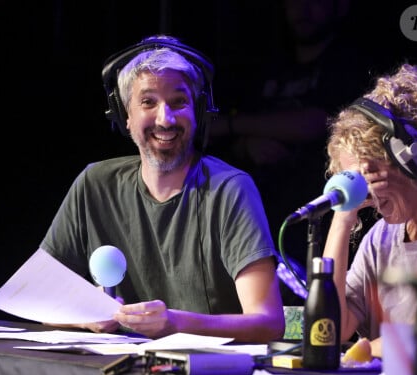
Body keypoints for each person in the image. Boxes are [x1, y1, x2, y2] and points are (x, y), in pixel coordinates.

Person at [38, 35, 285, 342]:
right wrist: (87, 317)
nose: (165, 119)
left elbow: (268, 323)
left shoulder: (230, 190)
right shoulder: (94, 184)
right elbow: (38, 298)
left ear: (198, 112)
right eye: (148, 102)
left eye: (179, 102)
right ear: (125, 116)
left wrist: (176, 323)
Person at [208, 0, 374, 304]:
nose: (302, 8)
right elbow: (235, 134)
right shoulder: (270, 63)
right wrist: (246, 142)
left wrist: (233, 125)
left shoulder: (348, 62)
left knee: (319, 314)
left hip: (319, 214)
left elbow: (318, 122)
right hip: (265, 216)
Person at [321, 63, 417, 358]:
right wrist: (342, 218)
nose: (366, 193)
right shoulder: (379, 240)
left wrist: (369, 350)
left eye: (370, 174)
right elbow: (330, 331)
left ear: (409, 157)